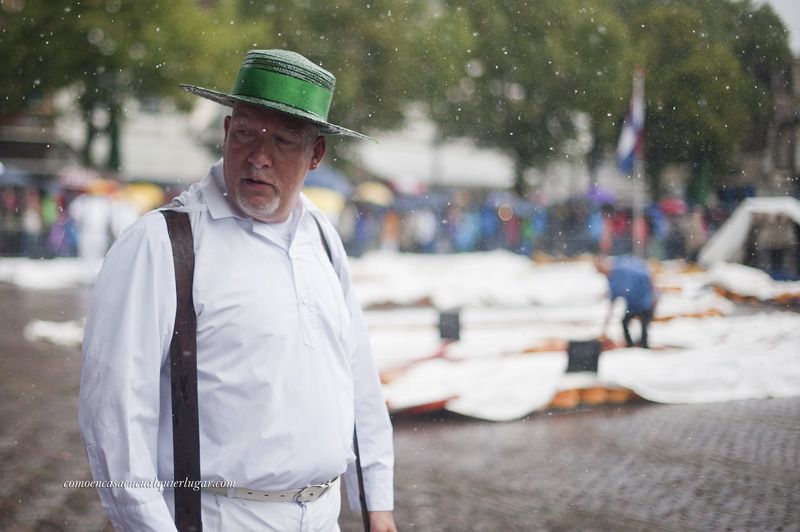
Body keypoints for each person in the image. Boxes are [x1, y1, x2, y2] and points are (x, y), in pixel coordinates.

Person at [79, 50, 396, 532]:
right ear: (227, 133)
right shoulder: (164, 243)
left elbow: (357, 378)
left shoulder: (323, 240)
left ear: (316, 155)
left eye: (285, 141)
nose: (259, 157)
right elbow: (114, 415)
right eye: (247, 134)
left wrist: (379, 506)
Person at [594, 255, 657, 348]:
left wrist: (653, 295)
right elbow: (613, 300)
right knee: (627, 322)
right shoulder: (614, 276)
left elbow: (645, 276)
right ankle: (632, 345)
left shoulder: (620, 271)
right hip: (635, 305)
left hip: (644, 301)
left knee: (642, 325)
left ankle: (640, 345)